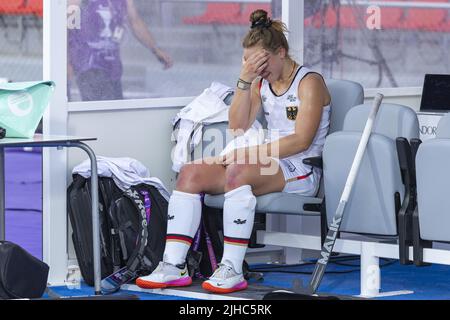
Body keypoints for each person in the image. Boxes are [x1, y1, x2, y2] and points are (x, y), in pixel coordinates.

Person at [136, 9, 331, 294]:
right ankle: (173, 265)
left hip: (301, 168)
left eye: (262, 62)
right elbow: (238, 125)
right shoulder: (261, 82)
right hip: (269, 161)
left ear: (281, 51)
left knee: (238, 171)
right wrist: (245, 79)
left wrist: (249, 154)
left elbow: (301, 141)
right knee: (190, 173)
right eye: (252, 63)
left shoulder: (310, 82)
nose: (259, 69)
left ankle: (231, 268)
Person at [68, 0, 173, 101]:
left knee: (114, 110)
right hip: (88, 65)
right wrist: (66, 60)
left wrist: (156, 49)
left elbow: (135, 21)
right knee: (105, 113)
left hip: (112, 66)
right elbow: (66, 24)